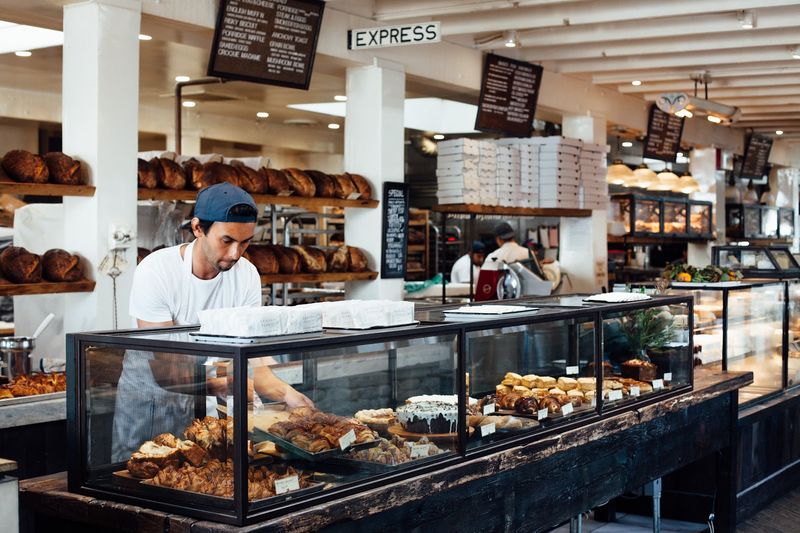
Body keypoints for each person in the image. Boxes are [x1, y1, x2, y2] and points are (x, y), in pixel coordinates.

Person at [111, 182, 311, 460]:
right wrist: (228, 382)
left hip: (205, 405)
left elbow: (255, 360)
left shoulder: (247, 275)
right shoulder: (156, 271)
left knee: (202, 476)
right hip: (151, 400)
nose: (235, 253)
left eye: (245, 242)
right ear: (197, 228)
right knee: (144, 473)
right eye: (226, 240)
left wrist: (285, 393)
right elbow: (167, 368)